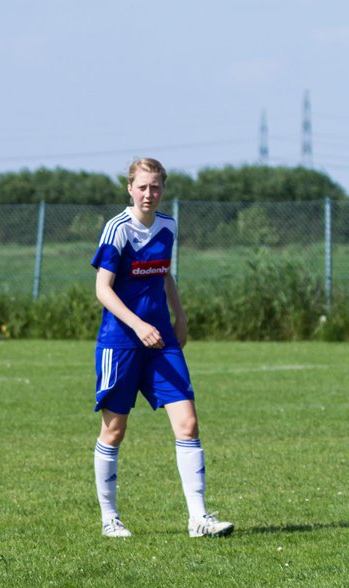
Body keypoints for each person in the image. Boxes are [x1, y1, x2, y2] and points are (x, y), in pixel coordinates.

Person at [91, 157, 233, 539]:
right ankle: (110, 519)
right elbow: (102, 289)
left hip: (161, 343)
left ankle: (198, 519)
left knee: (188, 423)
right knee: (114, 431)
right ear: (130, 188)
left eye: (155, 187)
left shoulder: (168, 226)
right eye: (142, 186)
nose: (149, 194)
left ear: (163, 189)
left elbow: (165, 274)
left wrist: (180, 316)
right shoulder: (117, 230)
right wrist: (137, 325)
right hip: (121, 342)